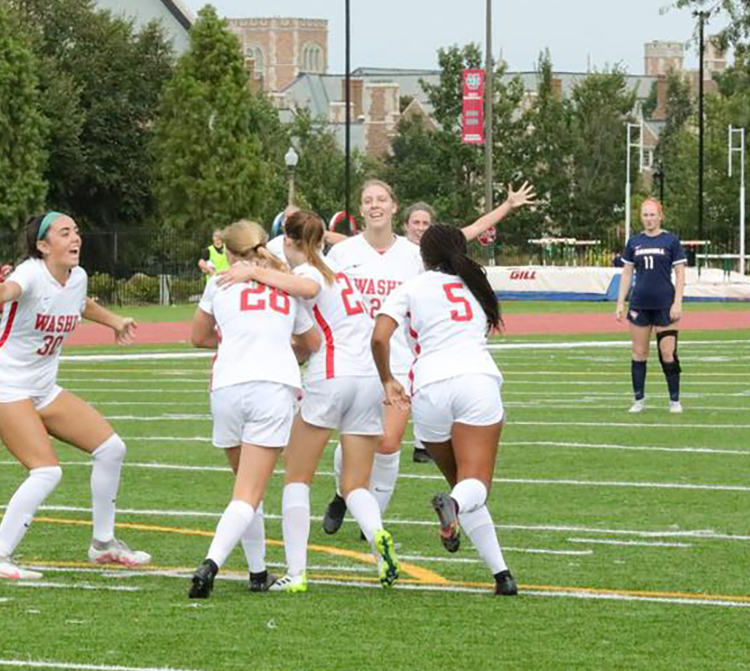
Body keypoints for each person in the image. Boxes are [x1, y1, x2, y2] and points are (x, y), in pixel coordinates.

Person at [323, 179, 536, 531]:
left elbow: (464, 234)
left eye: (381, 199)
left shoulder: (413, 254)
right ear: (360, 209)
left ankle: (371, 523)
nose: (375, 205)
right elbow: (320, 292)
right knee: (353, 441)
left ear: (394, 206)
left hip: (401, 364)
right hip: (354, 362)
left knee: (389, 442)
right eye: (367, 200)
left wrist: (507, 207)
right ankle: (342, 494)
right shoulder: (343, 254)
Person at [218, 210, 400, 593]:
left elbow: (307, 290)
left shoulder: (308, 274)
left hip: (332, 375)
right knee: (355, 484)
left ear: (289, 242)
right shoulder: (341, 272)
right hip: (367, 379)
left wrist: (253, 272)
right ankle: (378, 537)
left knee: (296, 477)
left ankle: (297, 572)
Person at [0, 211, 150, 580]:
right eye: (65, 233)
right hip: (3, 385)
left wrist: (116, 321)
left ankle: (103, 544)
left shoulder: (76, 277)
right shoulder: (31, 272)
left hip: (42, 388)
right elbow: (8, 290)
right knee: (46, 471)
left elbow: (81, 303)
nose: (75, 238)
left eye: (76, 231)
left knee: (112, 448)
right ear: (43, 246)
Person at [374, 223, 517, 596]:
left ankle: (502, 575)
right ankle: (452, 506)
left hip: (430, 388)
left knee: (465, 485)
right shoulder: (475, 284)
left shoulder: (410, 286)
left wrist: (388, 379)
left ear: (425, 255)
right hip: (476, 381)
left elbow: (379, 336)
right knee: (473, 487)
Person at [187, 220, 320, 599]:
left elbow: (197, 336)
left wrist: (236, 334)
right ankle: (211, 563)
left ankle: (258, 571)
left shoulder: (218, 284)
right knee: (249, 492)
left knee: (245, 488)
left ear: (227, 252)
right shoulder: (285, 286)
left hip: (228, 386)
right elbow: (311, 341)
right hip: (272, 387)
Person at [614, 198, 687, 414]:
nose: (649, 219)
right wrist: (620, 302)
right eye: (645, 215)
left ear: (660, 215)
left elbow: (681, 274)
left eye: (652, 214)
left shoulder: (671, 241)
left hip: (665, 305)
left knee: (668, 353)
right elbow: (627, 273)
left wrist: (678, 302)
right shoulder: (634, 242)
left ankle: (674, 400)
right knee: (639, 353)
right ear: (641, 218)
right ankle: (639, 400)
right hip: (639, 305)